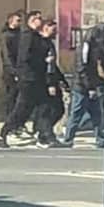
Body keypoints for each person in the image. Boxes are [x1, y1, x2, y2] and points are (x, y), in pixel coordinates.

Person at [0, 11, 51, 148]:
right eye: (38, 19)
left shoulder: (36, 36)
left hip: (37, 78)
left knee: (44, 106)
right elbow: (25, 57)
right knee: (22, 108)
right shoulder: (27, 36)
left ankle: (43, 136)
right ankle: (4, 133)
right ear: (31, 21)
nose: (41, 21)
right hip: (28, 78)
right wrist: (43, 60)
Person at [63, 22, 104, 147]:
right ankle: (68, 139)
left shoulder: (98, 48)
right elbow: (82, 68)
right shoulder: (85, 47)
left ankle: (101, 139)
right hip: (82, 86)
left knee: (97, 114)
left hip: (92, 85)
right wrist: (90, 87)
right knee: (77, 113)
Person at [32, 19, 69, 147]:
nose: (56, 32)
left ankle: (43, 133)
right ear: (46, 28)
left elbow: (53, 66)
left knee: (58, 109)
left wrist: (62, 80)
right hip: (44, 82)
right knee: (48, 109)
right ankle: (46, 135)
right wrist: (50, 84)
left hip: (52, 80)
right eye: (53, 30)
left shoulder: (49, 43)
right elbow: (45, 66)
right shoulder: (40, 44)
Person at [0, 11, 24, 120]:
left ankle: (17, 120)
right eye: (17, 21)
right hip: (10, 71)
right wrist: (13, 71)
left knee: (20, 97)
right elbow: (6, 55)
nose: (19, 23)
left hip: (20, 69)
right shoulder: (6, 36)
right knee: (11, 96)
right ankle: (10, 119)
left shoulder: (21, 35)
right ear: (11, 21)